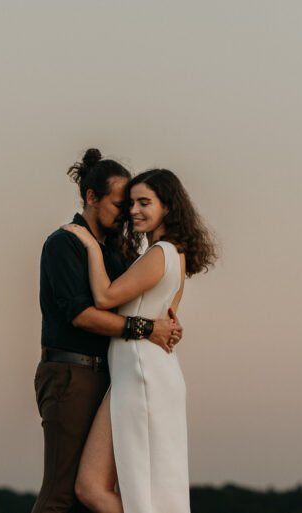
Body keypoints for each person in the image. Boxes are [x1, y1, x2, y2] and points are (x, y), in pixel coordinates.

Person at [33, 150, 183, 513]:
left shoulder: (116, 253)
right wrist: (147, 328)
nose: (127, 213)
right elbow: (82, 315)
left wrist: (166, 320)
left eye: (134, 203)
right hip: (72, 374)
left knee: (95, 490)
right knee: (62, 492)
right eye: (120, 203)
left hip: (109, 378)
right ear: (90, 197)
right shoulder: (64, 244)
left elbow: (134, 298)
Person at [63, 168, 218, 513]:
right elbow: (166, 320)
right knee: (100, 487)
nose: (134, 210)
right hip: (138, 375)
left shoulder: (161, 252)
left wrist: (89, 243)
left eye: (144, 202)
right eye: (131, 202)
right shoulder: (173, 254)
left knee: (131, 491)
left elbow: (104, 298)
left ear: (168, 206)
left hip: (142, 376)